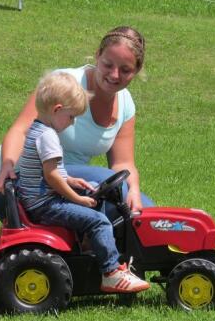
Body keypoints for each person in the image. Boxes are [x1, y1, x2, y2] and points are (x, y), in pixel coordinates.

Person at [0, 26, 154, 221]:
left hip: (65, 181)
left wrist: (134, 191)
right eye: (108, 64)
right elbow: (21, 130)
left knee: (146, 210)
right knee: (106, 182)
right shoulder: (63, 84)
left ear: (137, 70)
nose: (115, 75)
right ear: (97, 55)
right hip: (19, 181)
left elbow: (123, 163)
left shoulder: (125, 104)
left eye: (125, 70)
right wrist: (8, 164)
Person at [17, 71, 149, 293]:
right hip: (44, 204)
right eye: (71, 117)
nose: (72, 123)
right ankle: (111, 273)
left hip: (36, 198)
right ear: (57, 110)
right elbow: (51, 177)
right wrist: (76, 197)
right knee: (99, 221)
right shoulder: (48, 137)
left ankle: (89, 248)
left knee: (94, 199)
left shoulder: (37, 130)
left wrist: (72, 179)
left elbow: (51, 171)